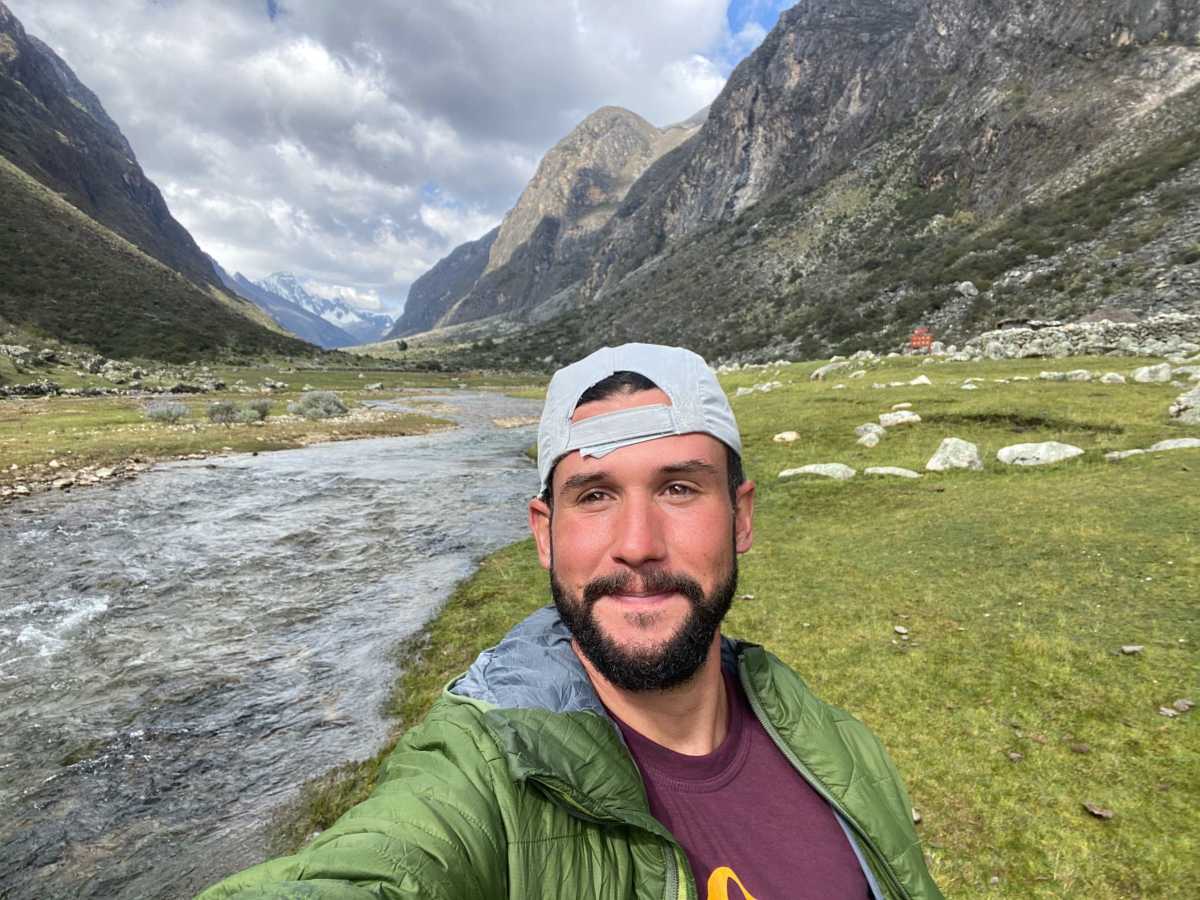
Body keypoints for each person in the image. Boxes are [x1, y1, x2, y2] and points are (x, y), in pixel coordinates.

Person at [199, 344, 943, 900]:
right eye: (593, 496)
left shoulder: (836, 747)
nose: (638, 545)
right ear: (544, 532)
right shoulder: (482, 778)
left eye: (679, 489)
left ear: (740, 516)